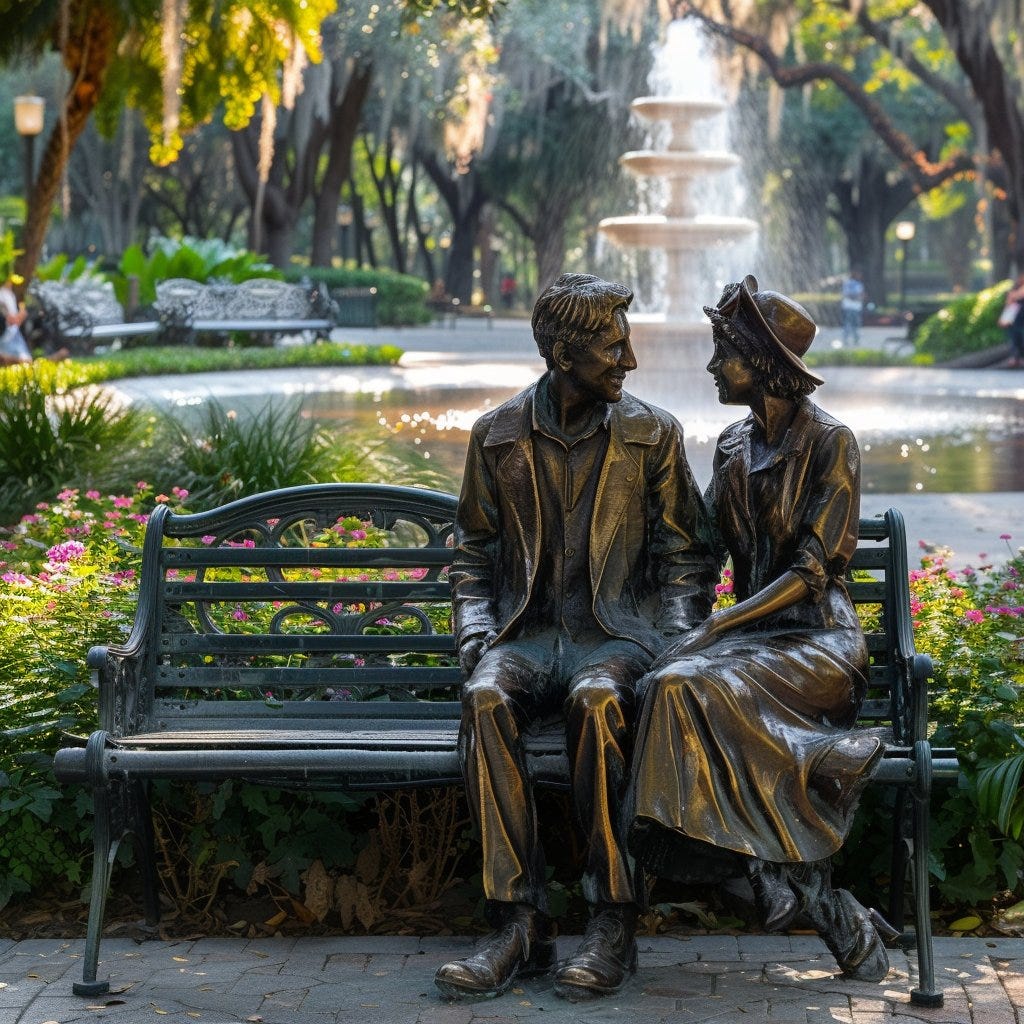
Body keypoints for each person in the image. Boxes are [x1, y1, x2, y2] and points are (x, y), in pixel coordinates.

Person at [435, 272, 715, 1002]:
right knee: (487, 697)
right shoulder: (496, 436)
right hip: (527, 635)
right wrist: (475, 631)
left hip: (613, 636)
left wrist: (678, 640)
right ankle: (517, 921)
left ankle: (611, 919)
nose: (629, 361)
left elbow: (686, 555)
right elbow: (470, 552)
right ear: (564, 354)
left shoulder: (653, 434)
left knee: (597, 703)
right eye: (613, 348)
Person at [629, 275, 892, 982]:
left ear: (764, 363)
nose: (714, 368)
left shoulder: (832, 443)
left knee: (690, 685)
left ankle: (761, 866)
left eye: (725, 354)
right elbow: (700, 543)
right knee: (670, 684)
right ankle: (791, 877)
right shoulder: (733, 445)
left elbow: (813, 571)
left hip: (818, 644)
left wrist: (716, 628)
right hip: (754, 647)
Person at [0, 277, 33, 365]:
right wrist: (18, 316)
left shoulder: (10, 294)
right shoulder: (1, 293)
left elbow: (14, 320)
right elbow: (9, 318)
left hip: (14, 333)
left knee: (26, 361)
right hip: (5, 335)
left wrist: (20, 316)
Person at [1004, 271, 1024, 368]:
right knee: (1014, 338)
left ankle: (1018, 357)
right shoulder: (1015, 288)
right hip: (1015, 318)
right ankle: (1015, 358)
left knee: (1020, 338)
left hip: (1021, 319)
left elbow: (1017, 295)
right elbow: (1009, 300)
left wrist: (1014, 295)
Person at [839, 270, 865, 346]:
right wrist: (857, 296)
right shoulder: (849, 283)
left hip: (855, 307)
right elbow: (849, 294)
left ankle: (854, 340)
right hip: (850, 306)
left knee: (855, 324)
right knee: (849, 324)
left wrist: (858, 296)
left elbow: (861, 295)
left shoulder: (859, 284)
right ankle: (847, 340)